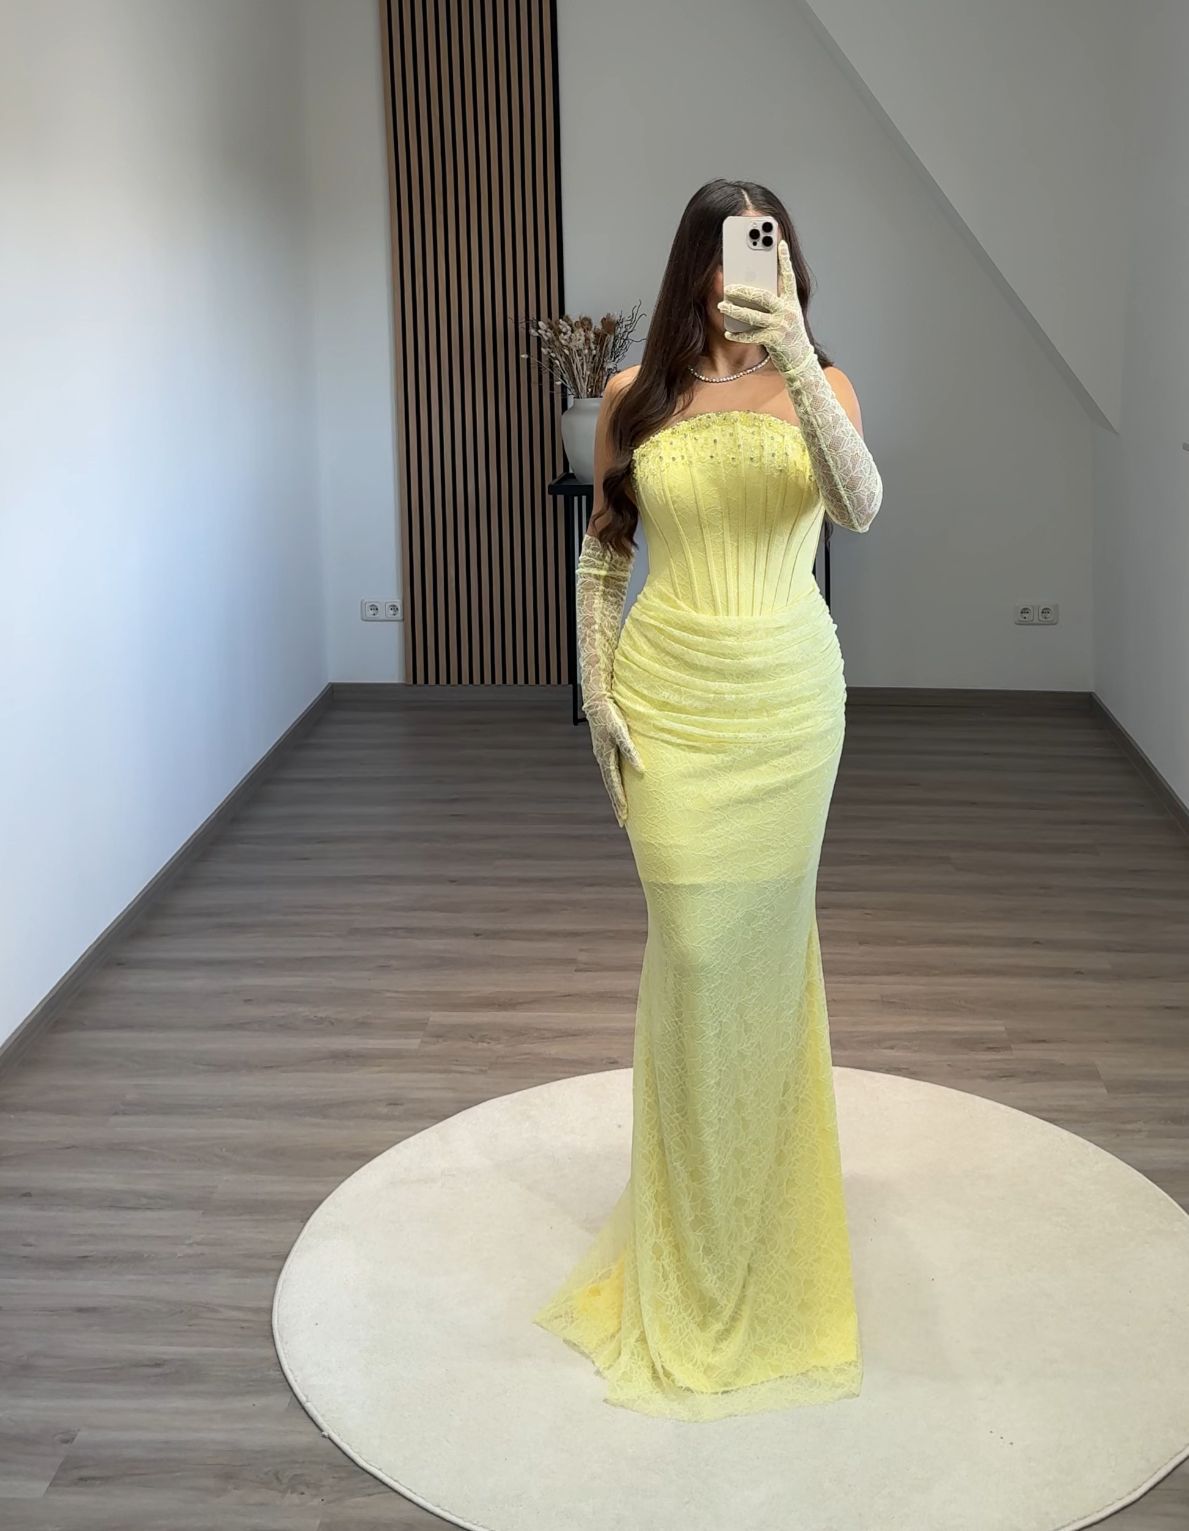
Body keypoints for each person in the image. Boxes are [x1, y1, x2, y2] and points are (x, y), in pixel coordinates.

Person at [533, 178, 883, 1421]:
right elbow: (605, 552)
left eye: (768, 249)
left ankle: (763, 1225)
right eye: (732, 251)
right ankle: (688, 1228)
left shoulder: (821, 384)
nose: (747, 270)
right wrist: (594, 691)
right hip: (670, 698)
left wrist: (792, 355)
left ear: (787, 262)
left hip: (787, 703)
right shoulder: (633, 396)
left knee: (765, 959)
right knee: (690, 953)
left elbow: (859, 506)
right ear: (695, 264)